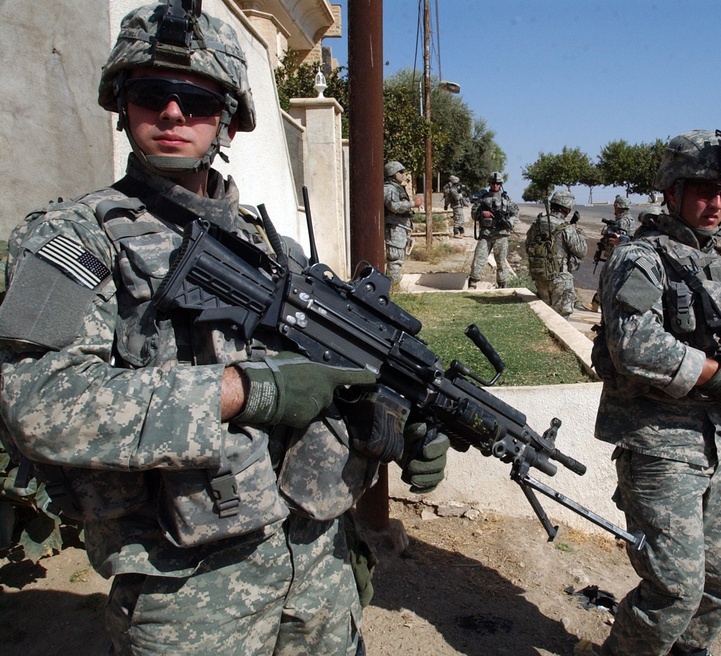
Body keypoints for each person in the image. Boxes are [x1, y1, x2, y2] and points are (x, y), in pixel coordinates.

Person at [0, 3, 447, 654]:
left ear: (231, 120)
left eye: (198, 100)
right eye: (152, 94)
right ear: (122, 105)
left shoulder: (277, 251)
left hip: (316, 568)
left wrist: (394, 423)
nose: (174, 113)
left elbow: (326, 391)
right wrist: (242, 390)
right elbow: (36, 404)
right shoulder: (73, 241)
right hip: (188, 590)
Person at [588, 128, 721, 656]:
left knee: (719, 588)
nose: (716, 202)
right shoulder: (641, 258)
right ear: (671, 191)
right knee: (674, 589)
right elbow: (635, 345)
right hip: (660, 442)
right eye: (702, 190)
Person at [525, 189, 587, 317]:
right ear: (567, 209)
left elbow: (528, 245)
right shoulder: (566, 228)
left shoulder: (537, 223)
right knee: (562, 318)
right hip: (560, 279)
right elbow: (582, 251)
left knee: (544, 315)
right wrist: (578, 232)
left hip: (540, 276)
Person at [468, 171, 518, 289]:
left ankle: (502, 284)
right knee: (479, 259)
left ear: (501, 184)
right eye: (493, 183)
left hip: (501, 235)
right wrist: (481, 213)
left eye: (497, 183)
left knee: (501, 261)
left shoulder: (506, 200)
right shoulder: (482, 199)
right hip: (486, 235)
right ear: (489, 184)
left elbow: (515, 214)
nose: (495, 185)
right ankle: (473, 283)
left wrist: (509, 223)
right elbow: (473, 214)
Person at [384, 160, 422, 284]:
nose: (403, 175)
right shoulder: (389, 188)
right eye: (401, 172)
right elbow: (394, 206)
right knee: (395, 258)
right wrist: (413, 204)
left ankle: (393, 285)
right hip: (394, 227)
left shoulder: (395, 188)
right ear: (394, 174)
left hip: (399, 226)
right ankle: (393, 287)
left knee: (398, 258)